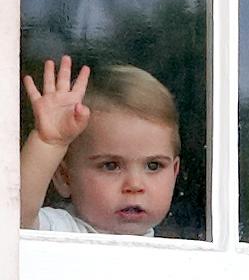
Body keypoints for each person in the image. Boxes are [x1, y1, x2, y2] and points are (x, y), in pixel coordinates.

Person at [20, 55, 180, 236]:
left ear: (174, 174)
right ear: (65, 177)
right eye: (111, 166)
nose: (135, 185)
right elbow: (14, 216)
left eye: (153, 166)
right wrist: (48, 142)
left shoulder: (178, 251)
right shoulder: (60, 231)